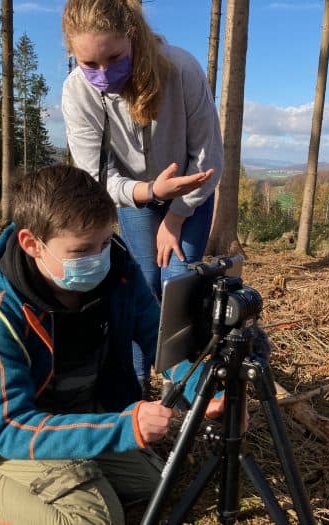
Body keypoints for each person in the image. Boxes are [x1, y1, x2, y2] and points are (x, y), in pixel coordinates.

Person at [0, 165, 221, 524]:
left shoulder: (120, 271)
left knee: (156, 484)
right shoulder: (2, 305)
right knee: (94, 519)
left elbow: (160, 340)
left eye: (106, 242)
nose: (100, 258)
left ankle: (70, 469)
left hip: (70, 412)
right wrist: (125, 427)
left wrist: (208, 389)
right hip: (0, 424)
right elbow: (11, 427)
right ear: (32, 243)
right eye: (82, 250)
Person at [61, 0, 224, 393]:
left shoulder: (180, 69)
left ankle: (183, 385)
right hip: (134, 197)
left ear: (131, 37)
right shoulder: (77, 93)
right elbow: (95, 177)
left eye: (113, 58)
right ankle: (132, 381)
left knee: (178, 285)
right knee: (140, 284)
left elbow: (208, 158)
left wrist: (175, 215)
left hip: (190, 194)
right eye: (89, 64)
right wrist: (148, 192)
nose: (103, 73)